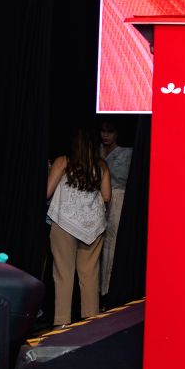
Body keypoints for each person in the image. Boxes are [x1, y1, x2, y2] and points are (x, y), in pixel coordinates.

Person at [46, 127, 111, 326]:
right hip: (93, 227)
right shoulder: (101, 165)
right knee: (90, 275)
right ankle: (91, 323)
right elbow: (106, 196)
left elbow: (47, 192)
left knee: (63, 274)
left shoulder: (63, 161)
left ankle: (62, 322)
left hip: (65, 223)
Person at [98, 118, 132, 297]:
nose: (105, 135)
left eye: (110, 131)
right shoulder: (96, 150)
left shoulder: (126, 153)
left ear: (117, 133)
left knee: (111, 242)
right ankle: (96, 288)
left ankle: (108, 288)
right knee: (96, 240)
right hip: (96, 199)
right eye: (103, 131)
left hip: (117, 198)